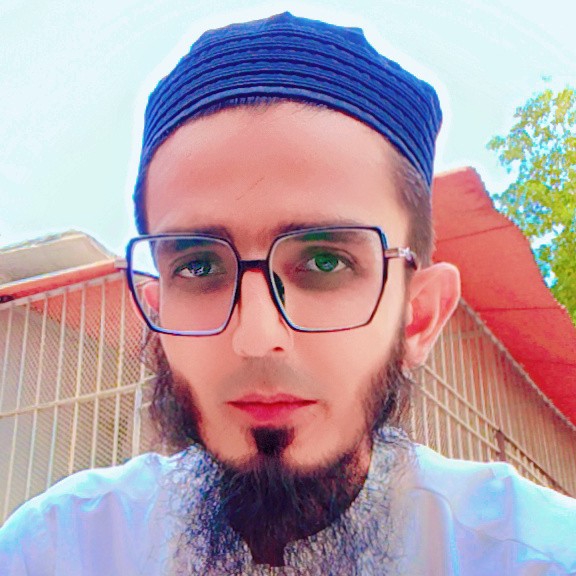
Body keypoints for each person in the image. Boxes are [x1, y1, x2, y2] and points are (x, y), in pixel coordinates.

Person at [1, 12, 575, 576]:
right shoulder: (56, 551)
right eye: (199, 266)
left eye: (326, 262)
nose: (256, 338)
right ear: (156, 313)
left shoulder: (534, 555)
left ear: (418, 317)